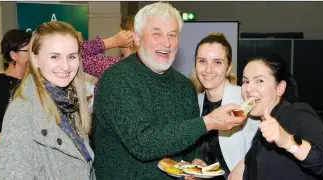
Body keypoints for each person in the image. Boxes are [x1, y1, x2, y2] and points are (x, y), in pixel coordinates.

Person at [93, 2, 247, 180]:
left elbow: (191, 140)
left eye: (172, 35)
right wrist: (208, 122)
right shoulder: (117, 80)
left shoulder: (184, 86)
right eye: (157, 33)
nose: (166, 43)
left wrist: (195, 160)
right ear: (136, 38)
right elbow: (143, 144)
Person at [0, 21, 95, 179]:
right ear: (35, 59)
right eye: (54, 57)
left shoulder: (69, 104)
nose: (65, 66)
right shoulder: (22, 111)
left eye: (72, 56)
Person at [231, 54, 323, 180]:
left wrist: (288, 141)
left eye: (259, 80)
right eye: (245, 81)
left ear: (280, 88)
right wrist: (244, 164)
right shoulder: (265, 125)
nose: (248, 88)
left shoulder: (296, 113)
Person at [188, 33, 259, 180]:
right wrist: (197, 163)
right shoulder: (194, 102)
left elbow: (265, 144)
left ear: (228, 68)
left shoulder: (245, 99)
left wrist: (244, 164)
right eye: (202, 61)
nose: (208, 69)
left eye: (217, 62)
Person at [0, 29, 31, 174]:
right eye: (28, 50)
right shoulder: (1, 83)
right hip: (8, 162)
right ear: (14, 55)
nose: (33, 54)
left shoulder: (33, 83)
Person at [81, 15, 136, 80]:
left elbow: (75, 54)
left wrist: (113, 41)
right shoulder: (146, 65)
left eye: (118, 34)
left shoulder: (113, 66)